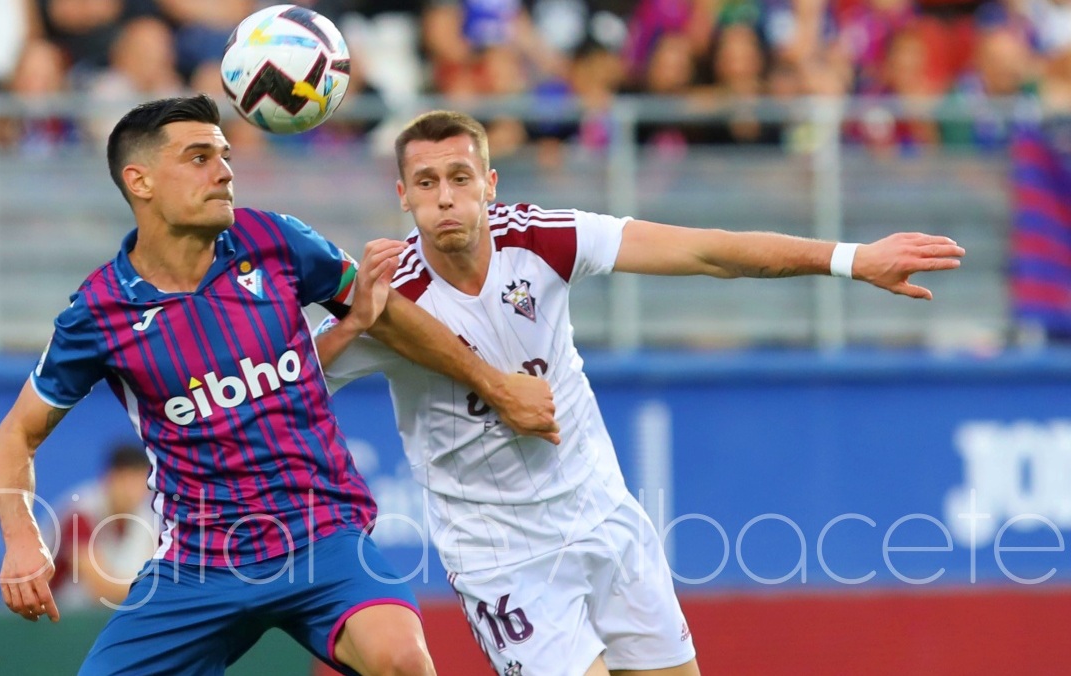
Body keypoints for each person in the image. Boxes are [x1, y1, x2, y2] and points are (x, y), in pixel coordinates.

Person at [315, 110, 966, 676]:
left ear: (490, 184)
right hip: (501, 558)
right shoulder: (386, 294)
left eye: (460, 177)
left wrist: (851, 258)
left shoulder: (544, 238)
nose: (445, 197)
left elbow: (709, 252)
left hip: (604, 521)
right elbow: (285, 383)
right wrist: (352, 328)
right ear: (402, 195)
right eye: (426, 183)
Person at [0, 94, 559, 676]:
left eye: (225, 155)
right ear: (141, 181)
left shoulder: (275, 240)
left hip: (323, 536)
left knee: (403, 661)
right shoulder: (98, 312)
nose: (225, 170)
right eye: (199, 157)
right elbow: (15, 439)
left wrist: (496, 384)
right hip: (199, 561)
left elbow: (386, 314)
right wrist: (23, 536)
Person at [46, 443, 159, 609]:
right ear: (109, 478)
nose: (133, 492)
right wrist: (157, 590)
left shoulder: (147, 518)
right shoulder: (80, 513)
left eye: (141, 482)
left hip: (110, 619)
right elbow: (100, 588)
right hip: (58, 619)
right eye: (127, 481)